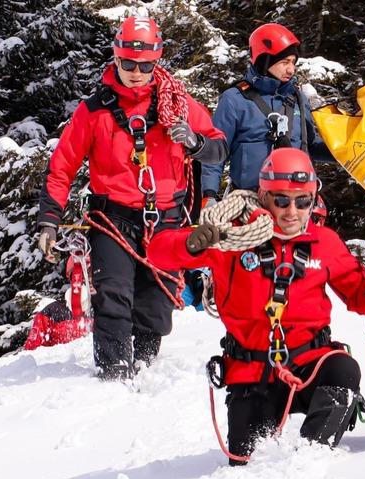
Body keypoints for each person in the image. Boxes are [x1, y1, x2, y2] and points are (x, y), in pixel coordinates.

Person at [147, 147, 365, 464]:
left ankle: (309, 460)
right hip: (251, 375)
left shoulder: (324, 242)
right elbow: (157, 252)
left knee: (343, 369)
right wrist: (190, 242)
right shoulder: (231, 240)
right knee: (244, 462)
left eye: (302, 201)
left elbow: (359, 298)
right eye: (281, 200)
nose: (292, 211)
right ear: (264, 197)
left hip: (310, 365)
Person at [36, 16, 227, 380]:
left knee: (157, 302)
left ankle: (142, 366)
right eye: (128, 63)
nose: (136, 72)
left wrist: (196, 143)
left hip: (167, 218)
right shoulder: (94, 111)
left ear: (157, 61)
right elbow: (62, 166)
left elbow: (219, 148)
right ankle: (113, 371)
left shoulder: (178, 106)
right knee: (113, 295)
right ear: (116, 58)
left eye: (145, 65)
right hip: (113, 218)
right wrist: (49, 218)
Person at [200, 23, 332, 210]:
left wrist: (346, 151)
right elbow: (216, 153)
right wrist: (209, 195)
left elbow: (309, 144)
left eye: (293, 62)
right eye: (284, 62)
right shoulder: (234, 100)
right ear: (265, 61)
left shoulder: (298, 99)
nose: (291, 70)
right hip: (249, 203)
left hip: (295, 204)